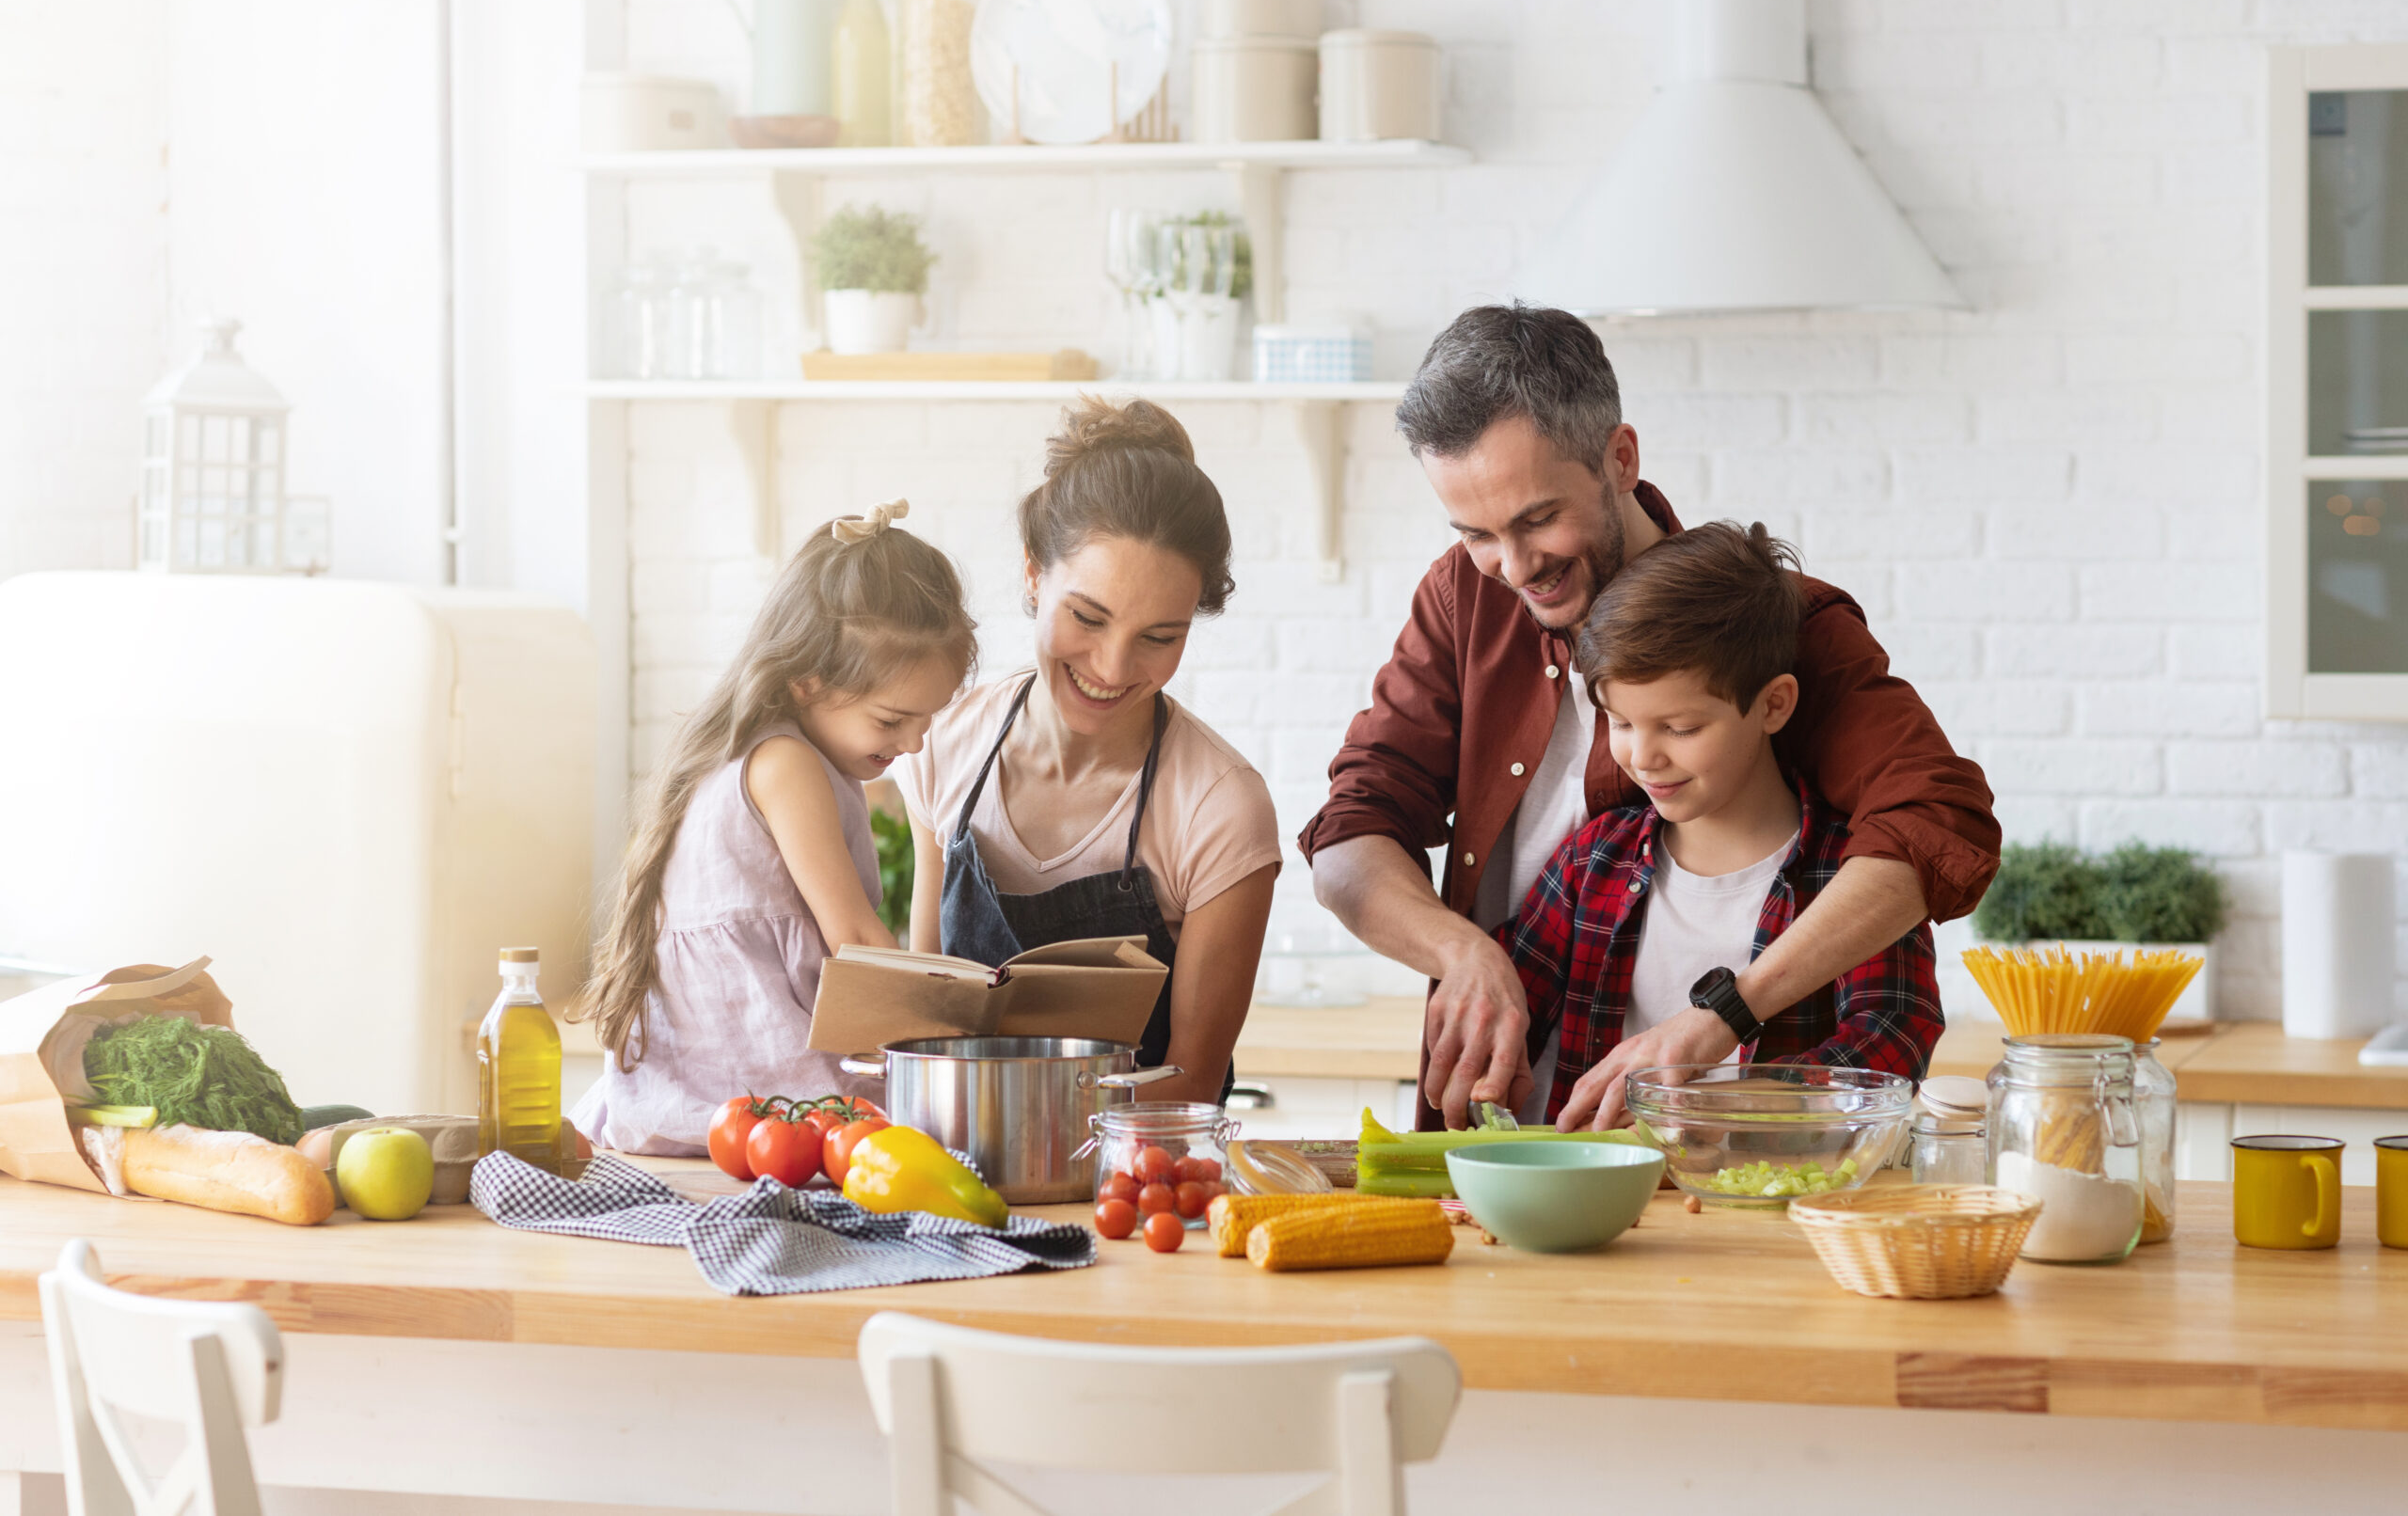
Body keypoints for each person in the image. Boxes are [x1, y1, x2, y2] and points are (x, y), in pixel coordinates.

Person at [1301, 304, 1998, 1129]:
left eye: (1537, 519)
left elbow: (1937, 821)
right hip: (1527, 1144)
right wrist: (1462, 952)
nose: (1514, 567)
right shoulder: (1465, 596)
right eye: (1476, 533)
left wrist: (1724, 1022)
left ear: (1620, 457)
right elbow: (1349, 836)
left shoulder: (1774, 625)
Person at [898, 398, 1281, 1105]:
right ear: (1034, 575)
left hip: (1134, 1186)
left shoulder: (1220, 806)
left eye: (1159, 637)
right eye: (1088, 616)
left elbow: (1192, 1084)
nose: (1111, 666)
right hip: (954, 1175)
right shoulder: (942, 745)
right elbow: (926, 1024)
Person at [1501, 521, 1945, 1130]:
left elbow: (1889, 1043)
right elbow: (1508, 1014)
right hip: (1597, 1209)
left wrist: (1711, 1110)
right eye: (1620, 722)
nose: (1643, 757)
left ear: (1774, 704)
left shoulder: (1852, 877)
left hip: (1772, 1210)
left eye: (1680, 728)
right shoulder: (1589, 862)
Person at [570, 500, 975, 1155]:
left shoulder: (772, 749)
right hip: (754, 1077)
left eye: (926, 721)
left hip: (712, 1083)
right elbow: (853, 936)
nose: (914, 742)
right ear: (807, 683)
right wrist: (944, 1029)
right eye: (892, 719)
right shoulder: (786, 764)